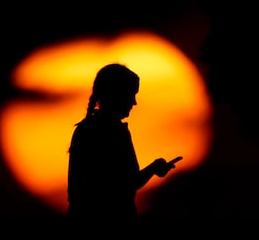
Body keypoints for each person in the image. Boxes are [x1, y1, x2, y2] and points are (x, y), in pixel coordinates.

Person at [67, 63, 181, 221]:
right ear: (116, 94)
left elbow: (124, 183)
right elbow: (127, 184)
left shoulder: (84, 130)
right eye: (131, 95)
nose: (134, 102)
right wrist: (154, 168)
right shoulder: (114, 132)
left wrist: (154, 167)